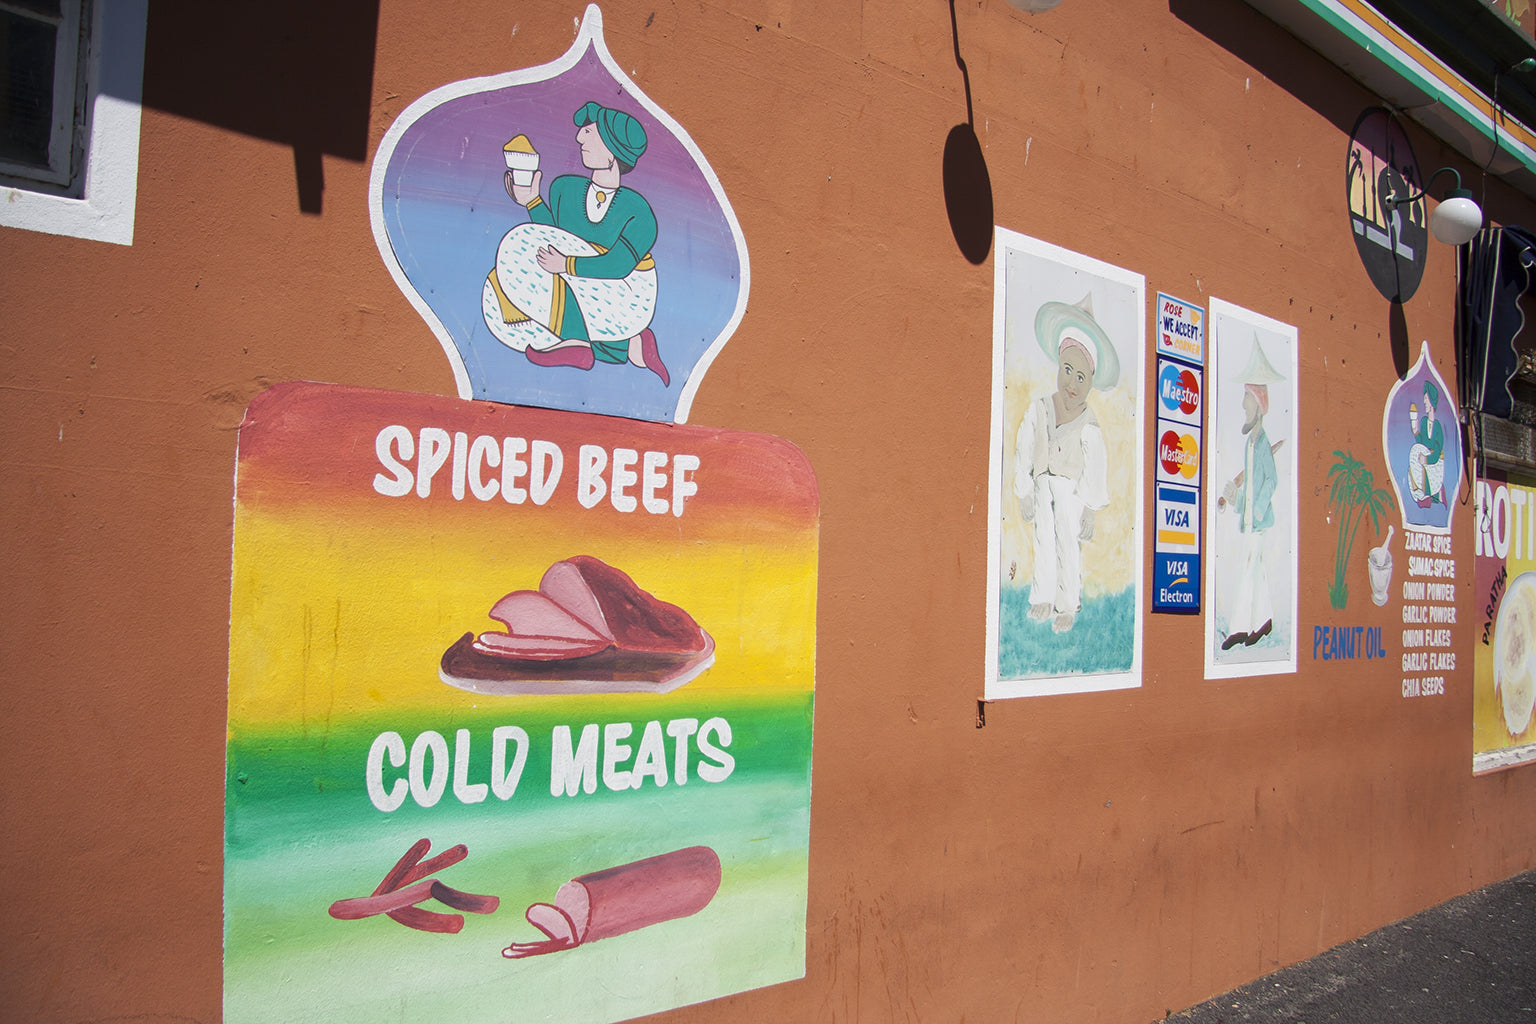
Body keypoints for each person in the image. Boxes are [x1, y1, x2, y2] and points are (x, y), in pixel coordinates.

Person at [482, 101, 668, 385]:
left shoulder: (638, 211)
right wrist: (531, 200)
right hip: (581, 284)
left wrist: (565, 264)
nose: (580, 137)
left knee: (517, 249)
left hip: (628, 292)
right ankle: (626, 345)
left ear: (613, 150)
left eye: (590, 132)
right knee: (497, 292)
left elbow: (617, 265)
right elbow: (553, 238)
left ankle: (578, 342)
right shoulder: (564, 188)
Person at [1014, 294, 1119, 633]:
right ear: (1058, 367)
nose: (1072, 383)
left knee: (1067, 545)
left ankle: (1067, 604)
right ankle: (1042, 596)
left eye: (1081, 378)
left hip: (1071, 492)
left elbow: (1095, 468)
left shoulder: (1089, 425)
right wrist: (1024, 490)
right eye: (1067, 371)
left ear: (1090, 381)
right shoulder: (1040, 408)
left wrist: (1089, 509)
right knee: (1043, 538)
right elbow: (1025, 448)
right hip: (1043, 484)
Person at [1219, 336, 1284, 651]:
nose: (1243, 404)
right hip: (1250, 520)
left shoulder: (1262, 445)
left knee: (1249, 568)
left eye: (1247, 398)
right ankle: (1264, 621)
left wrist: (1252, 509)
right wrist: (1236, 499)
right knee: (1255, 570)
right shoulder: (1251, 443)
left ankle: (1241, 628)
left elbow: (1270, 482)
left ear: (1258, 403)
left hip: (1258, 520)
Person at [1408, 380, 1446, 508]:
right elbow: (1421, 443)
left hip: (1435, 463)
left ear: (1431, 401)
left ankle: (1430, 495)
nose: (1424, 402)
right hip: (1424, 459)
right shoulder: (1423, 422)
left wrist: (1426, 459)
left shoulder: (1438, 427)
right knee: (1411, 467)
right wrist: (1415, 431)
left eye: (1426, 398)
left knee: (1419, 459)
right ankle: (1420, 494)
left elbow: (1436, 453)